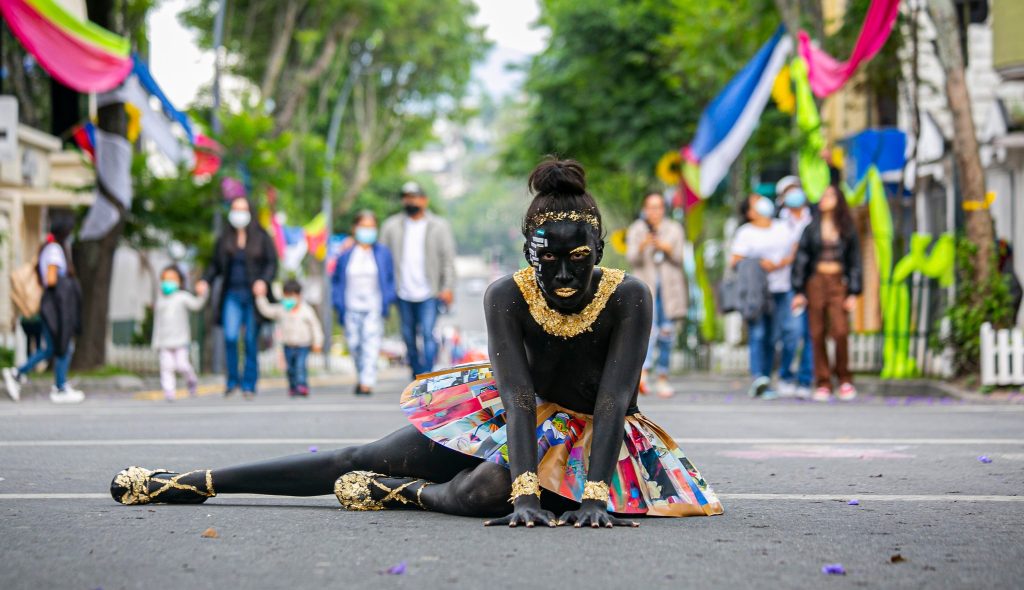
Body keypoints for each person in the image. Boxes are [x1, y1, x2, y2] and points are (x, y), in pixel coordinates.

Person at [109, 158, 723, 527]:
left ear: (604, 252)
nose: (563, 277)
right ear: (525, 253)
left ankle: (410, 496)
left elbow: (616, 397)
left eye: (578, 261)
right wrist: (527, 492)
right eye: (548, 261)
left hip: (599, 444)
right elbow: (514, 398)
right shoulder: (504, 295)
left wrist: (591, 497)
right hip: (513, 421)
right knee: (356, 456)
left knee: (485, 490)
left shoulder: (629, 296)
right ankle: (194, 481)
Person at [196, 197, 278, 399]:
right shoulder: (224, 238)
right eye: (235, 209)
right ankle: (232, 381)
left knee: (251, 339)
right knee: (230, 337)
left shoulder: (261, 237)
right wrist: (205, 280)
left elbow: (272, 264)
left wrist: (263, 281)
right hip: (231, 294)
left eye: (243, 209)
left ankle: (249, 384)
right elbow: (214, 265)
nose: (239, 213)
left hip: (253, 296)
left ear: (250, 212)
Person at [791, 179, 862, 402]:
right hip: (816, 281)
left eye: (830, 195)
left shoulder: (846, 228)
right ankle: (822, 381)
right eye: (823, 196)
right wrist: (799, 290)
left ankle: (844, 379)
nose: (824, 199)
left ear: (838, 200)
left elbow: (855, 261)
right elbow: (801, 259)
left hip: (838, 281)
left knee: (841, 331)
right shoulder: (811, 228)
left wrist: (853, 292)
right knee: (816, 332)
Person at [2, 212, 84, 403]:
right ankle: (59, 387)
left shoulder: (49, 247)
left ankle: (20, 375)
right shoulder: (55, 250)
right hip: (54, 306)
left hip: (51, 305)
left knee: (52, 348)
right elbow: (51, 278)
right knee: (64, 345)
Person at [379, 182, 456, 378]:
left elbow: (448, 259)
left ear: (424, 200)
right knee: (408, 336)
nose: (410, 200)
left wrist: (447, 288)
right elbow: (382, 260)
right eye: (406, 197)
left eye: (414, 196)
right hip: (402, 291)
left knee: (428, 334)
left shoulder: (438, 226)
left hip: (430, 291)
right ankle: (416, 372)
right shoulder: (391, 226)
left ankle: (427, 374)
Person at [729, 193, 799, 399]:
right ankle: (759, 377)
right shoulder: (746, 232)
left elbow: (796, 248)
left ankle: (772, 376)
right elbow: (735, 260)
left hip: (783, 289)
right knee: (758, 333)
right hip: (757, 293)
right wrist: (760, 263)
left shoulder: (783, 226)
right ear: (750, 212)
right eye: (755, 201)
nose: (762, 202)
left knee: (780, 335)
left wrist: (783, 262)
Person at [626, 192, 687, 398]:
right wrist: (644, 244)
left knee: (667, 333)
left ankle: (663, 377)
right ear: (645, 209)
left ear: (664, 209)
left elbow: (680, 258)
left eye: (658, 207)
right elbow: (632, 258)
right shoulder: (637, 229)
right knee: (647, 332)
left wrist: (666, 247)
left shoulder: (673, 229)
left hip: (669, 291)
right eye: (651, 207)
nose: (655, 211)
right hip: (647, 289)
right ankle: (643, 374)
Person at [332, 211, 396, 396]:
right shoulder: (346, 254)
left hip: (373, 306)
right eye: (363, 227)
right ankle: (361, 376)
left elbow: (390, 278)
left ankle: (367, 381)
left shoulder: (382, 253)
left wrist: (389, 297)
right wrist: (337, 301)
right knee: (354, 344)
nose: (367, 231)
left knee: (371, 343)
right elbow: (336, 280)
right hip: (350, 306)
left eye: (371, 227)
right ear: (355, 228)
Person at [774, 176, 814, 399]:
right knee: (793, 332)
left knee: (811, 334)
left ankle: (806, 379)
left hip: (813, 284)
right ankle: (786, 375)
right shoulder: (779, 225)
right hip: (789, 285)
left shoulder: (814, 219)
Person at [254, 279, 323, 397]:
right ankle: (293, 386)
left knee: (300, 366)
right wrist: (260, 297)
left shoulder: (306, 310)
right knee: (290, 368)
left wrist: (318, 342)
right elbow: (268, 310)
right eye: (286, 296)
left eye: (292, 296)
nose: (289, 299)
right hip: (288, 345)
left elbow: (315, 326)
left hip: (303, 344)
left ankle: (302, 385)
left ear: (299, 296)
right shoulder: (282, 309)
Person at [151, 265, 207, 401]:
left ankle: (191, 380)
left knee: (182, 365)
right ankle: (169, 391)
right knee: (166, 367)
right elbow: (157, 324)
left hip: (180, 341)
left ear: (179, 281)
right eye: (165, 279)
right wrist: (155, 342)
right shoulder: (160, 301)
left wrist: (203, 293)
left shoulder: (182, 297)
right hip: (164, 342)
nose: (167, 282)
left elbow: (196, 305)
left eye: (171, 278)